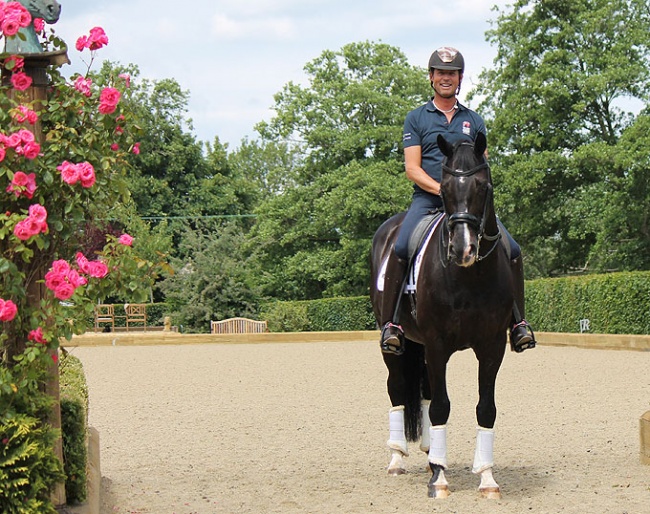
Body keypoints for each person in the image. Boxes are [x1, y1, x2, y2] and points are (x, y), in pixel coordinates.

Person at [379, 46, 536, 356]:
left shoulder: (474, 120)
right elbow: (412, 169)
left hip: (469, 206)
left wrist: (468, 194)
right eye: (440, 73)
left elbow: (483, 167)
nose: (445, 78)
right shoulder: (417, 118)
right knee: (401, 247)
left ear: (460, 78)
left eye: (451, 74)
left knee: (513, 249)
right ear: (431, 78)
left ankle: (518, 323)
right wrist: (444, 190)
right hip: (429, 200)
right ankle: (392, 323)